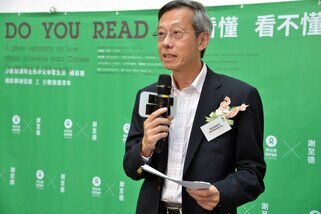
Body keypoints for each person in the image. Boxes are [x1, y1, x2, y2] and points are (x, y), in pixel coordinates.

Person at [123, 0, 266, 213]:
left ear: (202, 40)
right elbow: (131, 169)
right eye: (161, 34)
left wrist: (220, 192)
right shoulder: (148, 95)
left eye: (176, 33)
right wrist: (145, 147)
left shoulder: (238, 97)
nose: (166, 43)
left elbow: (252, 173)